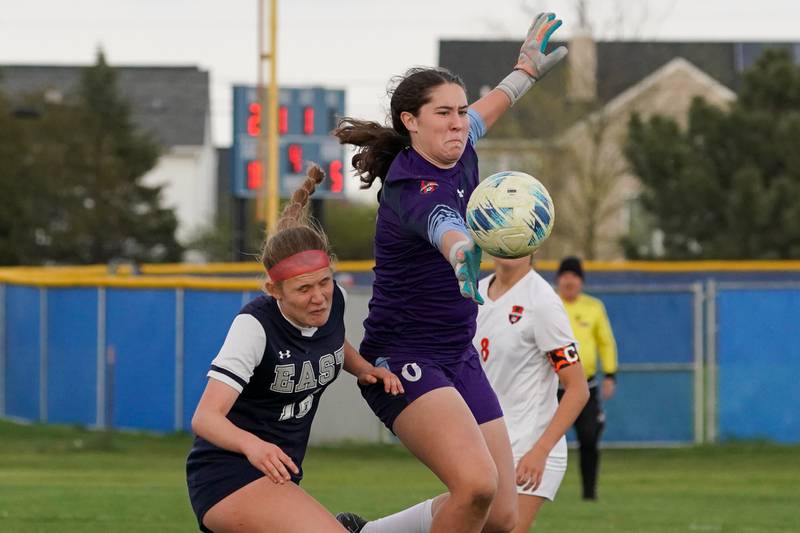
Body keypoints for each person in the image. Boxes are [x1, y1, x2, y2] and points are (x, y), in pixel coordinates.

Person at [332, 12, 568, 533]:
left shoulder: (459, 144)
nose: (458, 121)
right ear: (410, 121)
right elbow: (444, 227)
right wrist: (463, 253)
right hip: (403, 358)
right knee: (475, 487)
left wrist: (523, 71)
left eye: (460, 111)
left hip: (457, 354)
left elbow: (490, 108)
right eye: (444, 113)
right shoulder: (411, 186)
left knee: (503, 517)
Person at [185, 165, 404, 533]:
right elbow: (205, 418)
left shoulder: (334, 304)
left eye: (324, 282)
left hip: (280, 474)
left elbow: (331, 341)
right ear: (275, 291)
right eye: (304, 289)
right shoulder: (254, 327)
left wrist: (364, 368)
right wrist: (254, 446)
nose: (318, 297)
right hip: (228, 475)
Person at [476, 255, 589, 531]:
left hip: (528, 450)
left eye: (520, 233)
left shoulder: (542, 302)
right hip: (482, 447)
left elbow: (577, 389)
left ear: (534, 243)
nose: (510, 242)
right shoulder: (473, 293)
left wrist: (540, 451)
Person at [555, 256, 618, 501]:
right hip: (551, 386)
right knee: (539, 440)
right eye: (565, 275)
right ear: (558, 279)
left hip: (585, 386)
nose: (569, 280)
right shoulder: (548, 303)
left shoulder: (594, 307)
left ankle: (589, 494)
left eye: (574, 276)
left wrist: (610, 374)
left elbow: (606, 342)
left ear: (581, 281)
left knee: (589, 438)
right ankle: (532, 489)